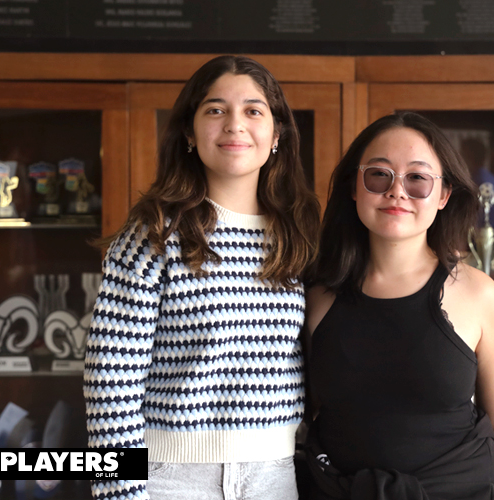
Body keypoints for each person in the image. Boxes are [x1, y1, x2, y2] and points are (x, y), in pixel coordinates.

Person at [83, 55, 320, 500]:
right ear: (190, 133)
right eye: (215, 109)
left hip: (274, 477)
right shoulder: (154, 234)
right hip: (170, 479)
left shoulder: (298, 233)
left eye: (253, 110)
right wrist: (120, 492)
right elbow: (111, 379)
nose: (235, 124)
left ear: (277, 134)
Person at [304, 112, 494, 500]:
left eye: (417, 178)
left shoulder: (478, 294)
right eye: (379, 175)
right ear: (354, 187)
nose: (397, 191)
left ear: (443, 196)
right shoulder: (316, 297)